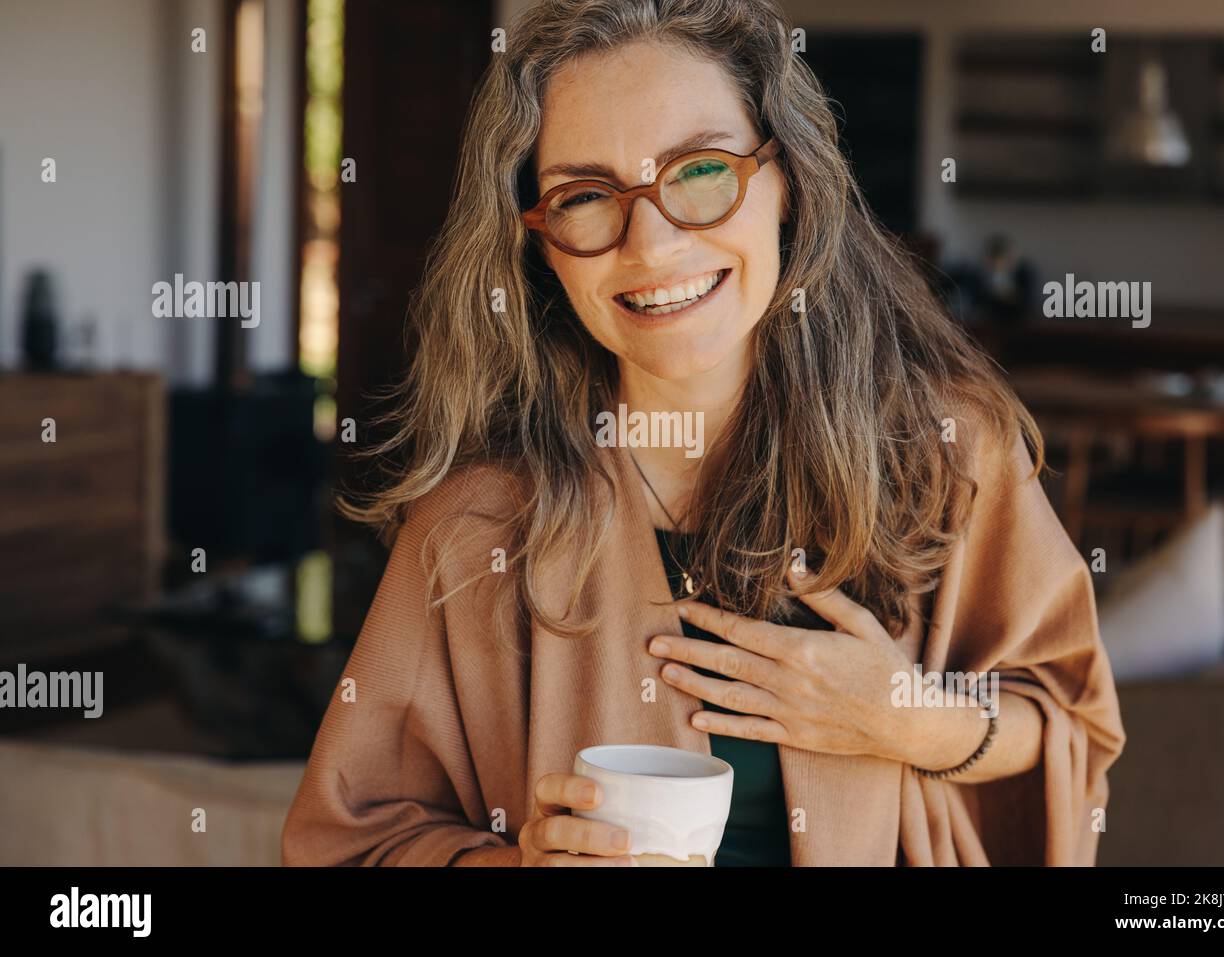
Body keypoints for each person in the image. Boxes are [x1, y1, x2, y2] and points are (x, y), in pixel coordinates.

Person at [281, 0, 1125, 867]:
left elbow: (1067, 721)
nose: (650, 244)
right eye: (585, 196)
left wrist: (907, 715)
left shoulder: (948, 452)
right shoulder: (475, 526)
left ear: (788, 177)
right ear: (537, 241)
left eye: (699, 171)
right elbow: (347, 840)